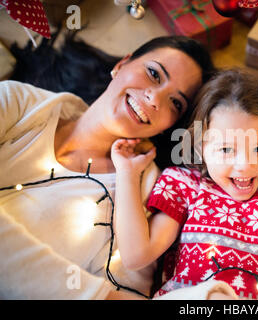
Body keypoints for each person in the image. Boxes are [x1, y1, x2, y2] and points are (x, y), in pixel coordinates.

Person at [0, 35, 216, 299]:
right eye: (153, 74)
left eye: (175, 103)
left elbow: (128, 294)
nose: (155, 98)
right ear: (122, 64)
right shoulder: (19, 102)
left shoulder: (146, 196)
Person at [112, 69, 258, 300]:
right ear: (200, 148)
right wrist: (127, 173)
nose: (245, 166)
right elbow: (136, 256)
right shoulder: (185, 185)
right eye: (226, 149)